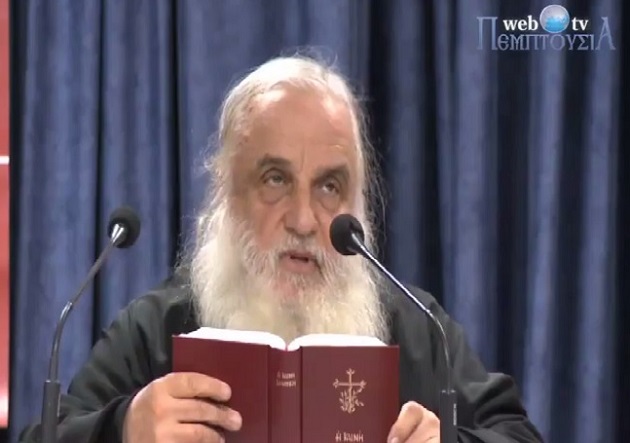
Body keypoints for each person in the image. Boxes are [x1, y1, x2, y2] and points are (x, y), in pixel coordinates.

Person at [19, 54, 543, 443]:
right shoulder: (156, 330)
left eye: (330, 186)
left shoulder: (416, 329)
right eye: (275, 179)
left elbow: (517, 434)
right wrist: (124, 428)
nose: (303, 220)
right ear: (227, 191)